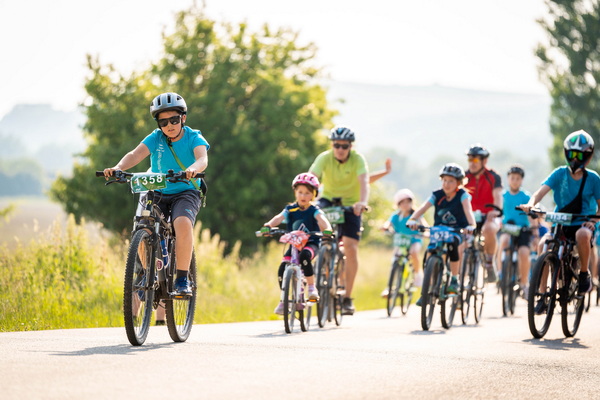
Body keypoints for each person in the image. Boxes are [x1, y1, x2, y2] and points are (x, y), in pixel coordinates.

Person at [103, 92, 209, 296]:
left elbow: (202, 158)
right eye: (163, 122)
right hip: (157, 190)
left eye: (174, 120)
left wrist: (193, 169)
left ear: (183, 118)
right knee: (143, 225)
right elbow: (135, 154)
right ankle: (147, 273)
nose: (169, 125)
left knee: (182, 223)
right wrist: (118, 168)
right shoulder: (156, 137)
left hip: (185, 191)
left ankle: (182, 279)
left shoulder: (194, 137)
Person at [309, 126, 383, 315]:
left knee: (350, 247)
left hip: (352, 204)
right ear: (332, 145)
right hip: (328, 200)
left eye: (345, 146)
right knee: (315, 229)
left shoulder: (358, 159)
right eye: (337, 145)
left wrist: (362, 202)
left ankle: (347, 297)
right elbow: (312, 178)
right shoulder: (324, 158)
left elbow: (364, 182)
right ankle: (317, 266)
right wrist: (306, 198)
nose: (340, 149)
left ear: (351, 146)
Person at [520, 130, 600, 294]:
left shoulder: (593, 178)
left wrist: (593, 221)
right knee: (543, 245)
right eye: (572, 154)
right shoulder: (559, 173)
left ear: (588, 156)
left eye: (580, 155)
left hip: (583, 224)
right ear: (566, 153)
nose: (575, 159)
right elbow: (539, 193)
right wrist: (530, 204)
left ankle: (584, 274)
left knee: (582, 235)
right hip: (560, 224)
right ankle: (542, 292)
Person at [261, 172, 333, 315]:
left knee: (305, 257)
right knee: (282, 268)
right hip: (294, 245)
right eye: (300, 192)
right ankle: (284, 300)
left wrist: (328, 229)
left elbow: (323, 221)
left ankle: (311, 288)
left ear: (313, 195)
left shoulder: (314, 210)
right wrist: (269, 225)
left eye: (307, 193)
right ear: (295, 192)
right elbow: (278, 218)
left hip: (310, 244)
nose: (303, 196)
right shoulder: (290, 209)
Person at [408, 163, 476, 303]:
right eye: (444, 180)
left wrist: (471, 225)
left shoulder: (462, 195)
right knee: (430, 253)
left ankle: (454, 279)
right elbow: (423, 207)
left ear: (458, 183)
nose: (446, 184)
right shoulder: (437, 195)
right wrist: (413, 219)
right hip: (439, 229)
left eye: (451, 181)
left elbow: (468, 211)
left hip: (456, 229)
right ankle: (427, 290)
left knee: (453, 247)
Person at [495, 165, 538, 298]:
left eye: (517, 178)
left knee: (524, 252)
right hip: (507, 228)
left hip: (522, 229)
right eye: (512, 178)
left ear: (521, 180)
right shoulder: (503, 196)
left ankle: (524, 283)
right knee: (503, 241)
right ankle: (500, 273)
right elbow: (497, 211)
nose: (514, 181)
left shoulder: (526, 196)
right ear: (508, 179)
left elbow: (532, 215)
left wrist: (535, 232)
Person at [464, 144, 503, 282]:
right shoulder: (464, 176)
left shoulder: (493, 176)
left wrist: (495, 210)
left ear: (484, 161)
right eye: (470, 159)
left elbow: (498, 196)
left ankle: (489, 263)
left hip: (489, 215)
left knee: (489, 229)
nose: (472, 163)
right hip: (469, 216)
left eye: (475, 160)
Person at [380, 188, 426, 297]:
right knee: (395, 260)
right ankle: (390, 287)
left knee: (414, 252)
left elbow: (423, 225)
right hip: (401, 241)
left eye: (408, 202)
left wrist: (425, 231)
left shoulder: (416, 215)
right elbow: (388, 223)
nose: (405, 205)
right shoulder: (396, 216)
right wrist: (385, 227)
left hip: (414, 239)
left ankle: (418, 274)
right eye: (402, 202)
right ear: (398, 204)